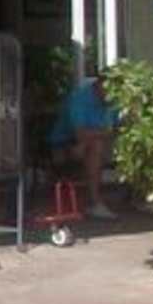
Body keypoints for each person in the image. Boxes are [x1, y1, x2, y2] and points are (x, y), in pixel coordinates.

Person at [50, 75, 118, 220]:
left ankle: (142, 197)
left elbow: (115, 128)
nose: (112, 95)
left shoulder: (113, 101)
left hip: (91, 142)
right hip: (65, 143)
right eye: (109, 90)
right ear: (98, 86)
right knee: (95, 145)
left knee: (97, 143)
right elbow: (80, 133)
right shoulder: (79, 98)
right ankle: (95, 202)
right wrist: (104, 133)